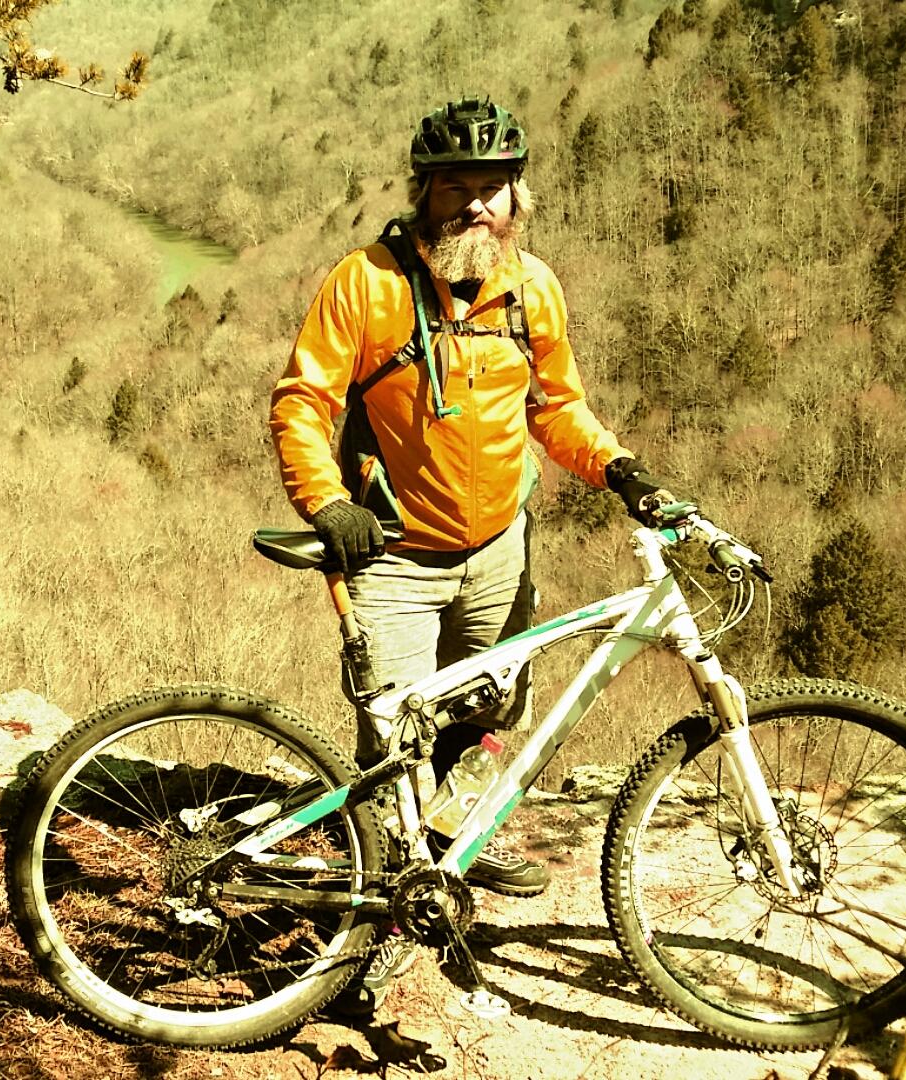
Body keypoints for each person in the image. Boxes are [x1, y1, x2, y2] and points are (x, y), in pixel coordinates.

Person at [268, 97, 671, 1007]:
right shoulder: (365, 284)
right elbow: (303, 402)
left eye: (493, 190)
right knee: (393, 742)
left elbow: (555, 410)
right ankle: (377, 929)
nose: (475, 206)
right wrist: (326, 500)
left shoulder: (532, 289)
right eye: (457, 186)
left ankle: (446, 857)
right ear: (424, 192)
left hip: (498, 547)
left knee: (489, 706)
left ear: (518, 200)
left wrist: (619, 467)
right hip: (395, 553)